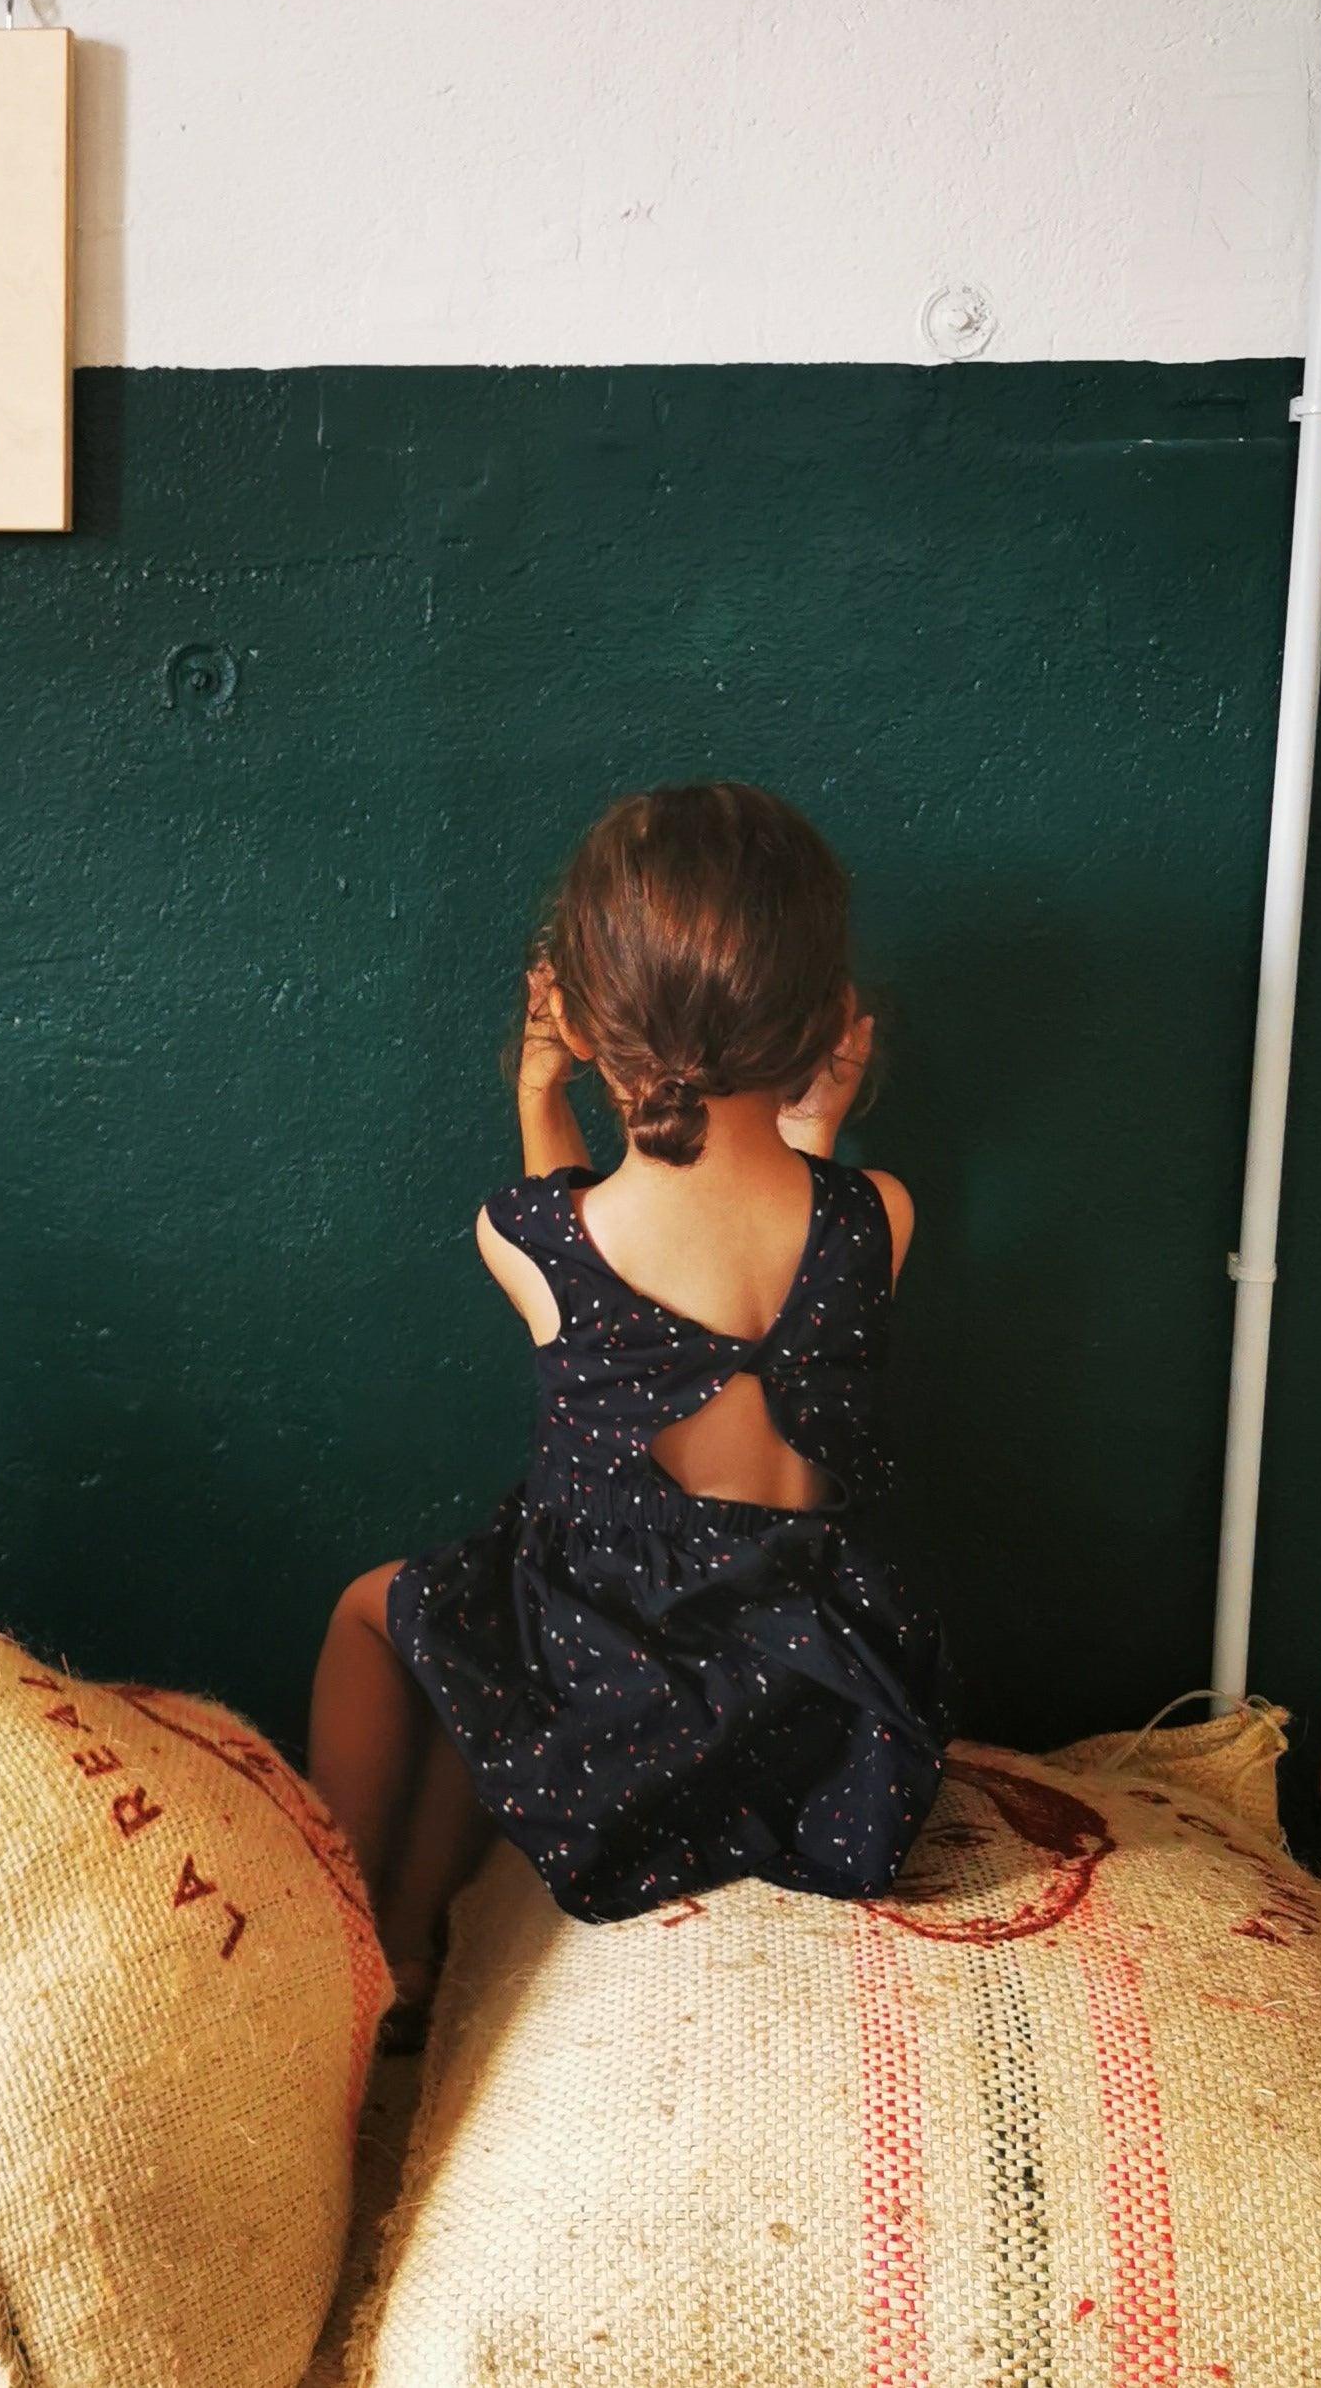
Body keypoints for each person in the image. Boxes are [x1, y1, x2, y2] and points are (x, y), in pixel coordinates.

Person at [308, 782, 949, 2031]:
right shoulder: (879, 1219)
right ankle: (417, 1944)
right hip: (822, 1732)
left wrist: (539, 1095)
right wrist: (815, 1131)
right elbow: (780, 1272)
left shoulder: (527, 1236)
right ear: (830, 1022)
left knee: (389, 1614)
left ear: (582, 1022)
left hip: (626, 1731)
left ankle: (352, 1930)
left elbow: (585, 1268)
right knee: (492, 1605)